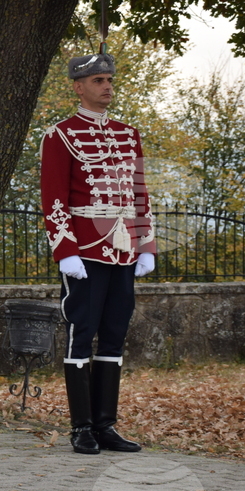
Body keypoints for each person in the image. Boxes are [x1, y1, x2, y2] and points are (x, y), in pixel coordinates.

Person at [40, 52, 157, 455]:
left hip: (124, 250)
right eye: (97, 81)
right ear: (78, 86)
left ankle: (106, 426)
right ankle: (82, 428)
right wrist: (65, 250)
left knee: (114, 334)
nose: (106, 86)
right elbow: (53, 199)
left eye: (108, 79)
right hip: (85, 250)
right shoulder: (61, 135)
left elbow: (140, 193)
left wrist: (147, 244)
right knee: (81, 333)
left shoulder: (129, 134)